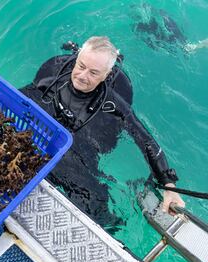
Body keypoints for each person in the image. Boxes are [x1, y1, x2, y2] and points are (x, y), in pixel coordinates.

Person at [21, 36, 185, 229]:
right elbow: (23, 98)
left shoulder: (114, 104)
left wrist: (168, 184)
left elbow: (146, 140)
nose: (82, 76)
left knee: (92, 198)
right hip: (55, 124)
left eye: (93, 73)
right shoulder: (53, 71)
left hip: (87, 134)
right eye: (81, 66)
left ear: (106, 76)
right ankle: (81, 50)